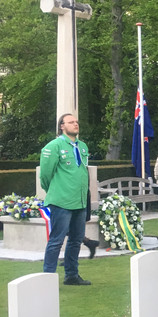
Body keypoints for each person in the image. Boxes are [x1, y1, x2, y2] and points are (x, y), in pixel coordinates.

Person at [40, 113, 92, 285]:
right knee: (56, 240)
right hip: (61, 201)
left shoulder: (82, 146)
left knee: (76, 239)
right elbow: (45, 176)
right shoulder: (53, 146)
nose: (75, 124)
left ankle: (71, 275)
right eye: (71, 122)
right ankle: (48, 277)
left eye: (76, 121)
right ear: (61, 126)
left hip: (80, 201)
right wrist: (56, 191)